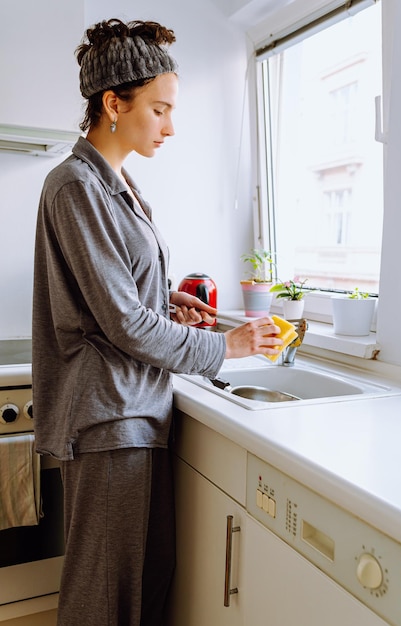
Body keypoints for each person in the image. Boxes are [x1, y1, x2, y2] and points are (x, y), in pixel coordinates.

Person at [32, 18, 282, 626]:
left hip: (134, 411)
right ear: (113, 104)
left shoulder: (116, 183)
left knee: (143, 582)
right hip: (109, 415)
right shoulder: (74, 186)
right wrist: (227, 347)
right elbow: (121, 323)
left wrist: (165, 297)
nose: (170, 126)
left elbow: (118, 294)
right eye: (160, 109)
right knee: (104, 592)